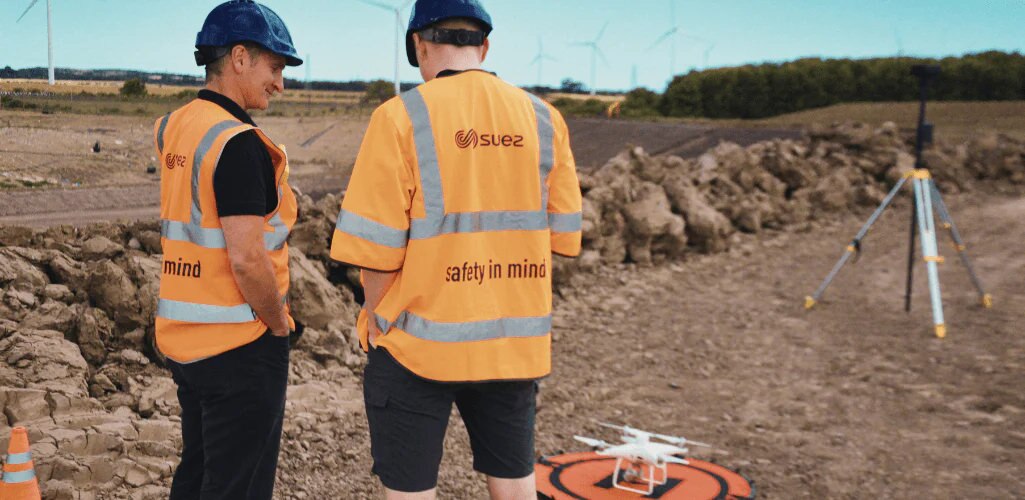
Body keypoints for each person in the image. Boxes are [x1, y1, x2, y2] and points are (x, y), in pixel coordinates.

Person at [329, 0, 583, 498]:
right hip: (512, 344)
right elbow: (561, 237)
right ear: (485, 46)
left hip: (417, 347)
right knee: (514, 483)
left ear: (419, 46)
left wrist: (377, 321)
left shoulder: (400, 116)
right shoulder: (545, 119)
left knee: (410, 489)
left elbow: (375, 247)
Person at [152, 1, 303, 498]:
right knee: (237, 484)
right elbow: (246, 257)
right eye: (275, 67)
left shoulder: (176, 125)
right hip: (239, 345)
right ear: (240, 57)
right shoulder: (239, 144)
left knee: (198, 471)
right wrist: (278, 323)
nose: (279, 83)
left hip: (186, 343)